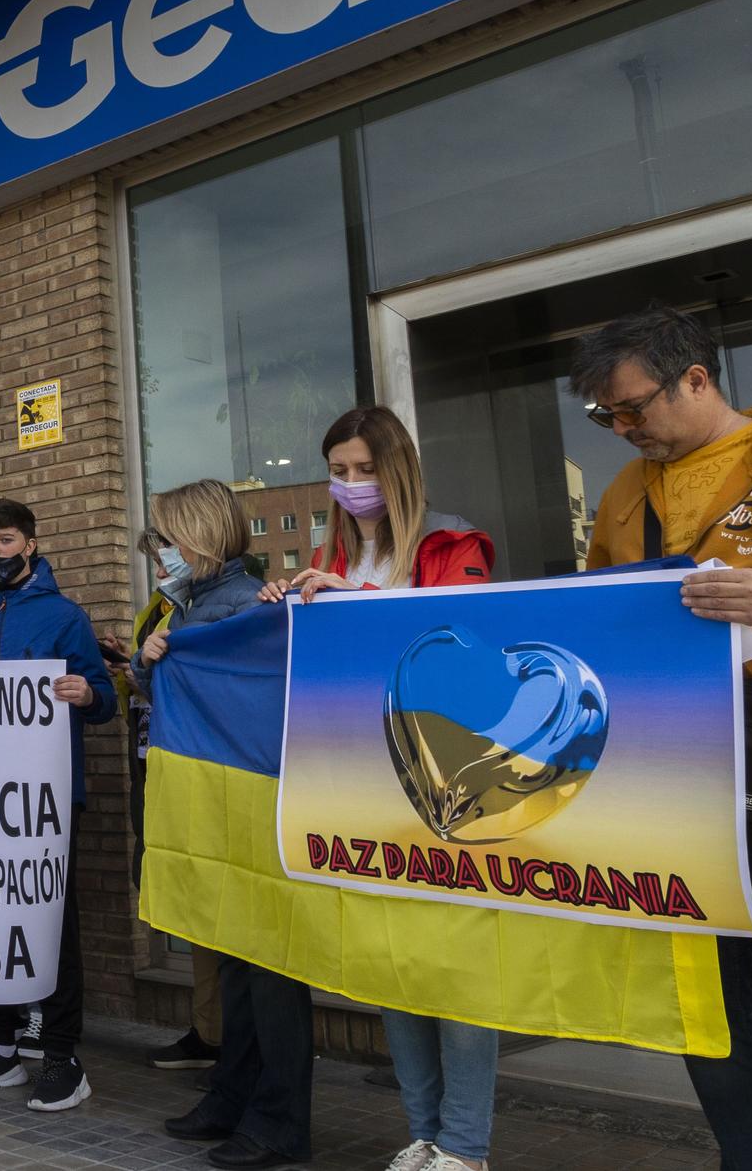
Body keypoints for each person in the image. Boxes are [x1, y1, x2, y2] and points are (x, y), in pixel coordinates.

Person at [256, 406, 497, 1171]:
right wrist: (285, 613)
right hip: (361, 787)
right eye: (339, 470)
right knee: (392, 967)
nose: (351, 484)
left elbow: (463, 640)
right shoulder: (329, 550)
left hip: (444, 786)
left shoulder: (451, 543)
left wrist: (351, 604)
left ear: (397, 469)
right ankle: (423, 1131)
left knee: (456, 971)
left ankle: (465, 1143)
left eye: (365, 469)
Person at [569, 306, 752, 1170]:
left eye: (632, 409)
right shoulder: (618, 496)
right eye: (604, 417)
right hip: (681, 780)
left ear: (696, 378)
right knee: (711, 998)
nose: (621, 430)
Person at [0, 499, 114, 1113]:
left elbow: (106, 697)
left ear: (30, 545)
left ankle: (61, 1055)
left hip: (45, 799)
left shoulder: (65, 616)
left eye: (4, 540)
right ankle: (1, 1044)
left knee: (50, 925)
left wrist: (88, 690)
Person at [140, 481, 301, 1170]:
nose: (157, 554)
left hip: (252, 802)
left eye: (166, 539)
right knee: (237, 961)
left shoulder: (241, 607)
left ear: (201, 536)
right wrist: (152, 668)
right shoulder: (197, 605)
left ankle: (279, 1120)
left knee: (268, 970)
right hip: (222, 802)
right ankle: (234, 1094)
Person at [110, 532, 219, 1072]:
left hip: (195, 764)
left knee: (211, 904)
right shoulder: (160, 607)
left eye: (167, 551)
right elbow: (154, 685)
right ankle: (207, 1028)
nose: (160, 564)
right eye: (153, 556)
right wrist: (132, 669)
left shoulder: (213, 605)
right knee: (184, 900)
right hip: (153, 761)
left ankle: (219, 1034)